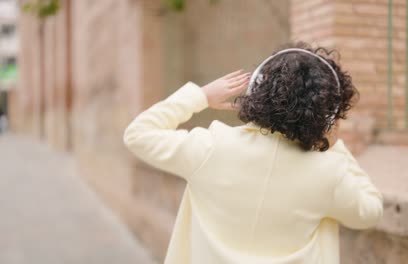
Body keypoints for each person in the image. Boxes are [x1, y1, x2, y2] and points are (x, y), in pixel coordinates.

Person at [123, 41, 383, 264]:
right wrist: (336, 146)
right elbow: (370, 211)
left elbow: (138, 134)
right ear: (326, 116)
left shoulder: (211, 147)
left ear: (258, 90)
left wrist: (200, 96)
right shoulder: (329, 173)